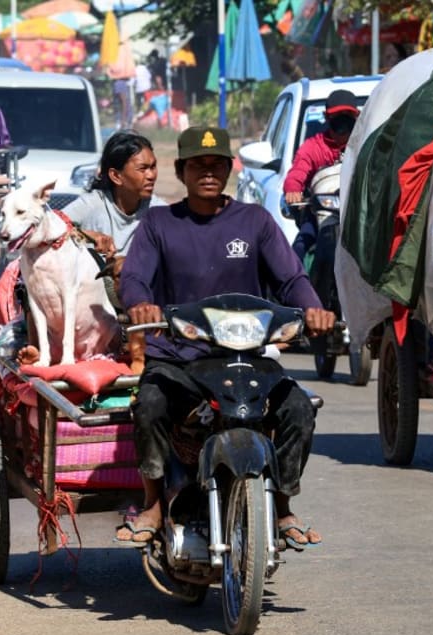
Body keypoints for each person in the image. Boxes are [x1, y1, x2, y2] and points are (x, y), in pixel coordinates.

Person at [115, 126, 336, 546]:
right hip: (179, 357)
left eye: (217, 165)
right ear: (181, 171)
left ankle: (283, 505)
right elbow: (135, 278)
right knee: (150, 403)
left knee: (298, 409)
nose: (208, 173)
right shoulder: (159, 223)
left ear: (229, 169)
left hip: (246, 358)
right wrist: (141, 304)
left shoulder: (255, 221)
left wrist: (313, 308)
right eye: (198, 165)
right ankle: (153, 503)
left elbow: (291, 278)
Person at [62, 130, 164, 259]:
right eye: (142, 169)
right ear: (116, 176)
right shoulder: (93, 204)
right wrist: (86, 235)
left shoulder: (158, 211)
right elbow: (50, 227)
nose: (151, 175)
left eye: (153, 167)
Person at [283, 90, 359, 260]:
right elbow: (297, 171)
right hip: (319, 213)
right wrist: (293, 189)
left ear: (357, 116)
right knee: (298, 249)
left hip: (359, 213)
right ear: (326, 118)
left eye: (347, 116)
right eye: (337, 116)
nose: (343, 121)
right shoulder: (313, 147)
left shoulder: (366, 144)